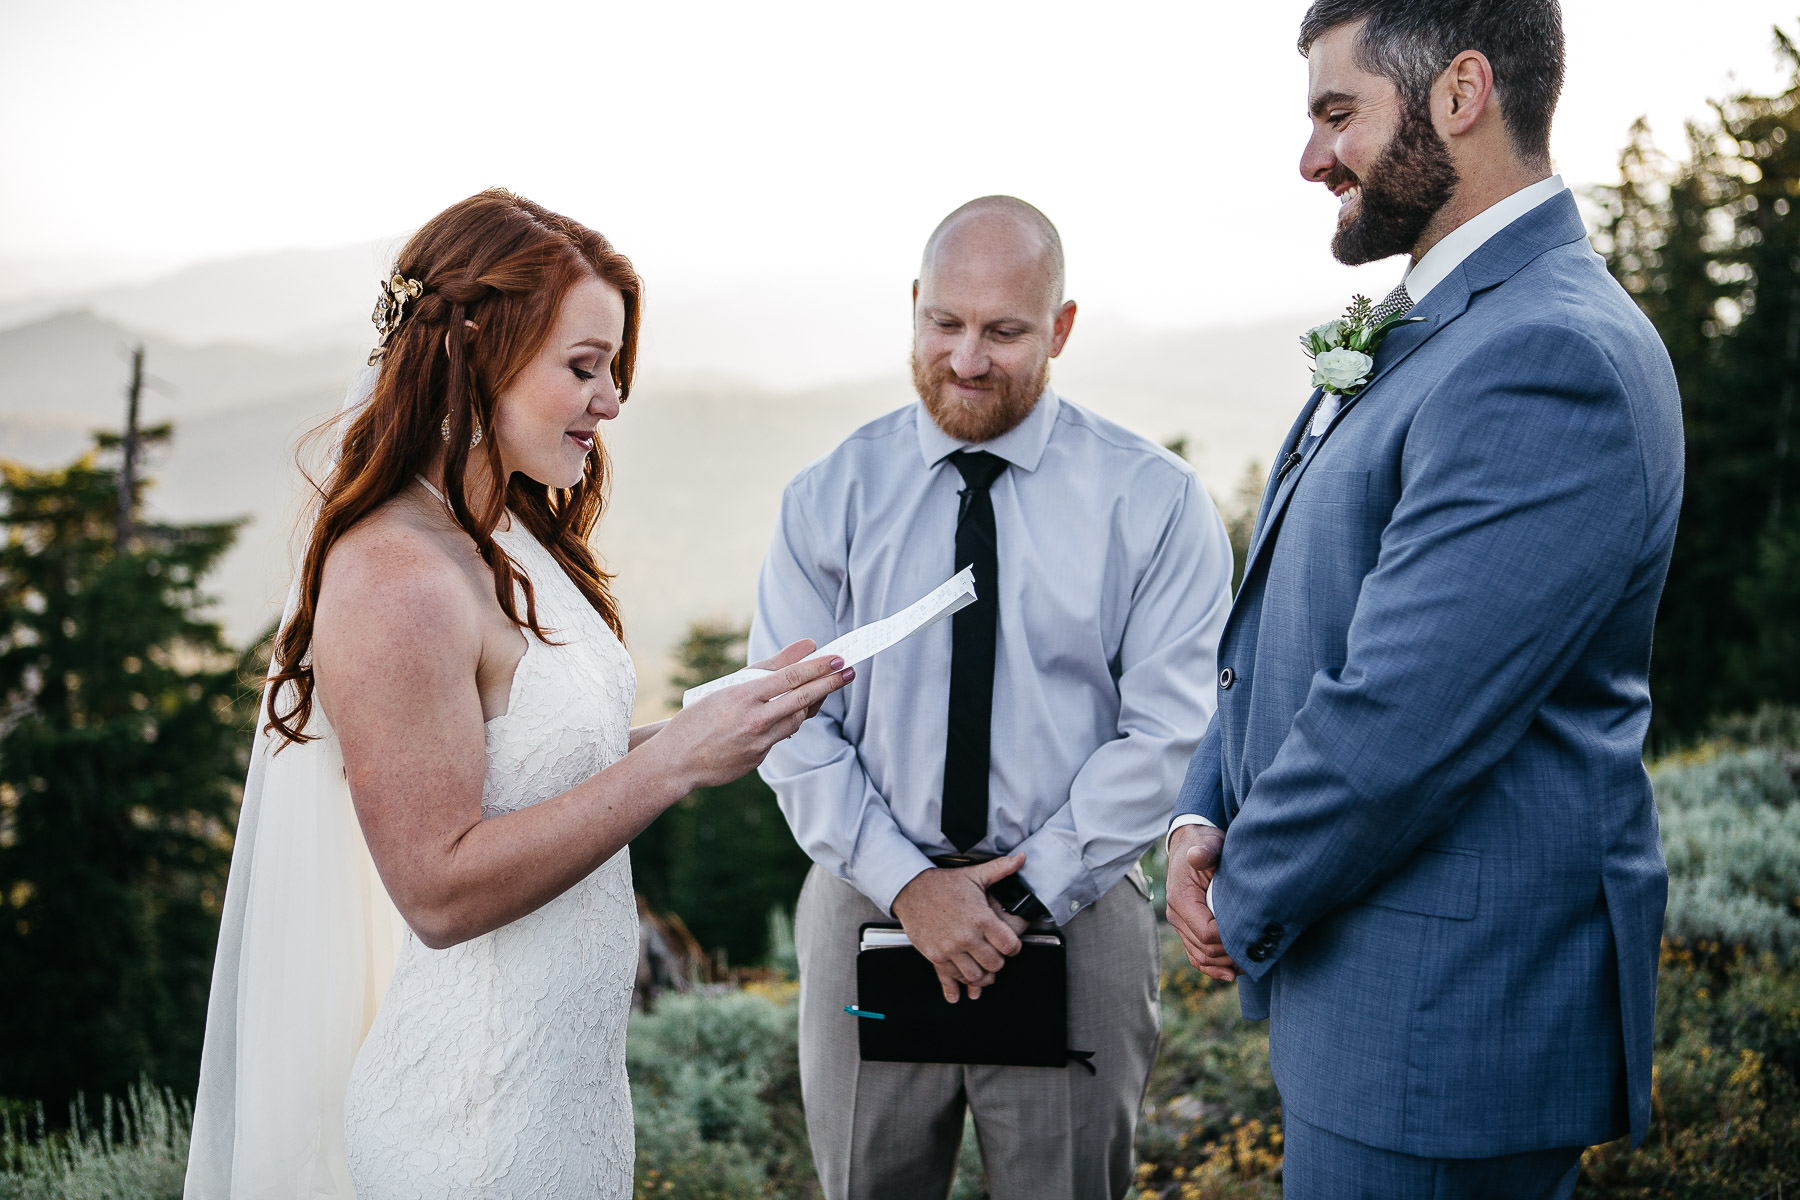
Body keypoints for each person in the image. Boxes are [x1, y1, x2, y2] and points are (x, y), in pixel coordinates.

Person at [184, 189, 853, 1199]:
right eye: (584, 368)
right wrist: (674, 765)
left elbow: (531, 766)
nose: (612, 401)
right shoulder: (397, 578)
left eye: (614, 370)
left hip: (563, 1099)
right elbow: (439, 888)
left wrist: (712, 723)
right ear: (469, 355)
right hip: (471, 1126)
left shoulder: (508, 536)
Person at [1163, 3, 1684, 1197]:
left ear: (1460, 93)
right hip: (1382, 1009)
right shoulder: (1443, 321)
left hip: (1446, 1032)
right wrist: (1203, 814)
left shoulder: (1550, 357)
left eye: (1338, 113)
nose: (1311, 158)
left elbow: (1398, 718)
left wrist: (1242, 888)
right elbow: (1296, 613)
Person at [751, 195, 1234, 1200]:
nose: (968, 359)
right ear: (915, 306)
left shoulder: (1153, 501)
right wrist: (913, 889)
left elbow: (1168, 730)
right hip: (863, 907)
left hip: (1079, 908)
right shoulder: (827, 497)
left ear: (1059, 329)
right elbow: (790, 727)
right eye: (946, 323)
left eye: (1005, 332)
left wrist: (1014, 900)